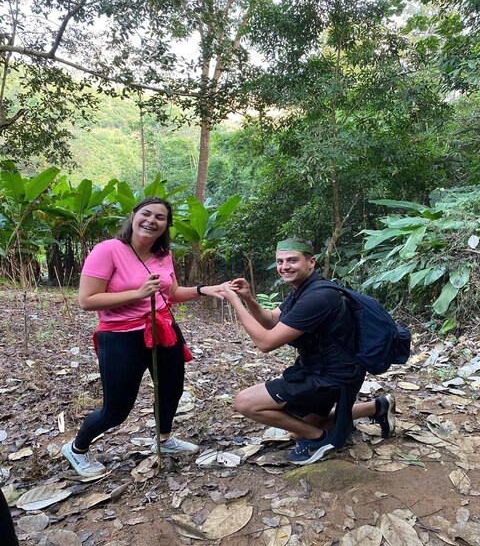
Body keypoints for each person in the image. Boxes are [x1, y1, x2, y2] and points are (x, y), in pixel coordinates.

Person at [62, 197, 223, 477]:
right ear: (133, 216)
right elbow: (87, 300)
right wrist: (138, 294)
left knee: (171, 390)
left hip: (163, 328)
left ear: (166, 225)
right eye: (146, 214)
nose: (152, 221)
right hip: (120, 336)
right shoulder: (108, 250)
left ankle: (164, 439)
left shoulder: (163, 254)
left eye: (160, 217)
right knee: (116, 410)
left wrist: (203, 290)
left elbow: (171, 293)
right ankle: (77, 448)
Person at [219, 238, 396, 466]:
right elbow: (271, 320)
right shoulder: (303, 290)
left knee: (245, 402)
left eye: (292, 260)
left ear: (311, 262)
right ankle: (377, 407)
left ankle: (319, 440)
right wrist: (248, 299)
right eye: (280, 261)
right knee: (299, 430)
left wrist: (234, 302)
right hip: (322, 369)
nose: (285, 267)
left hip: (333, 376)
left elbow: (265, 343)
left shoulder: (318, 297)